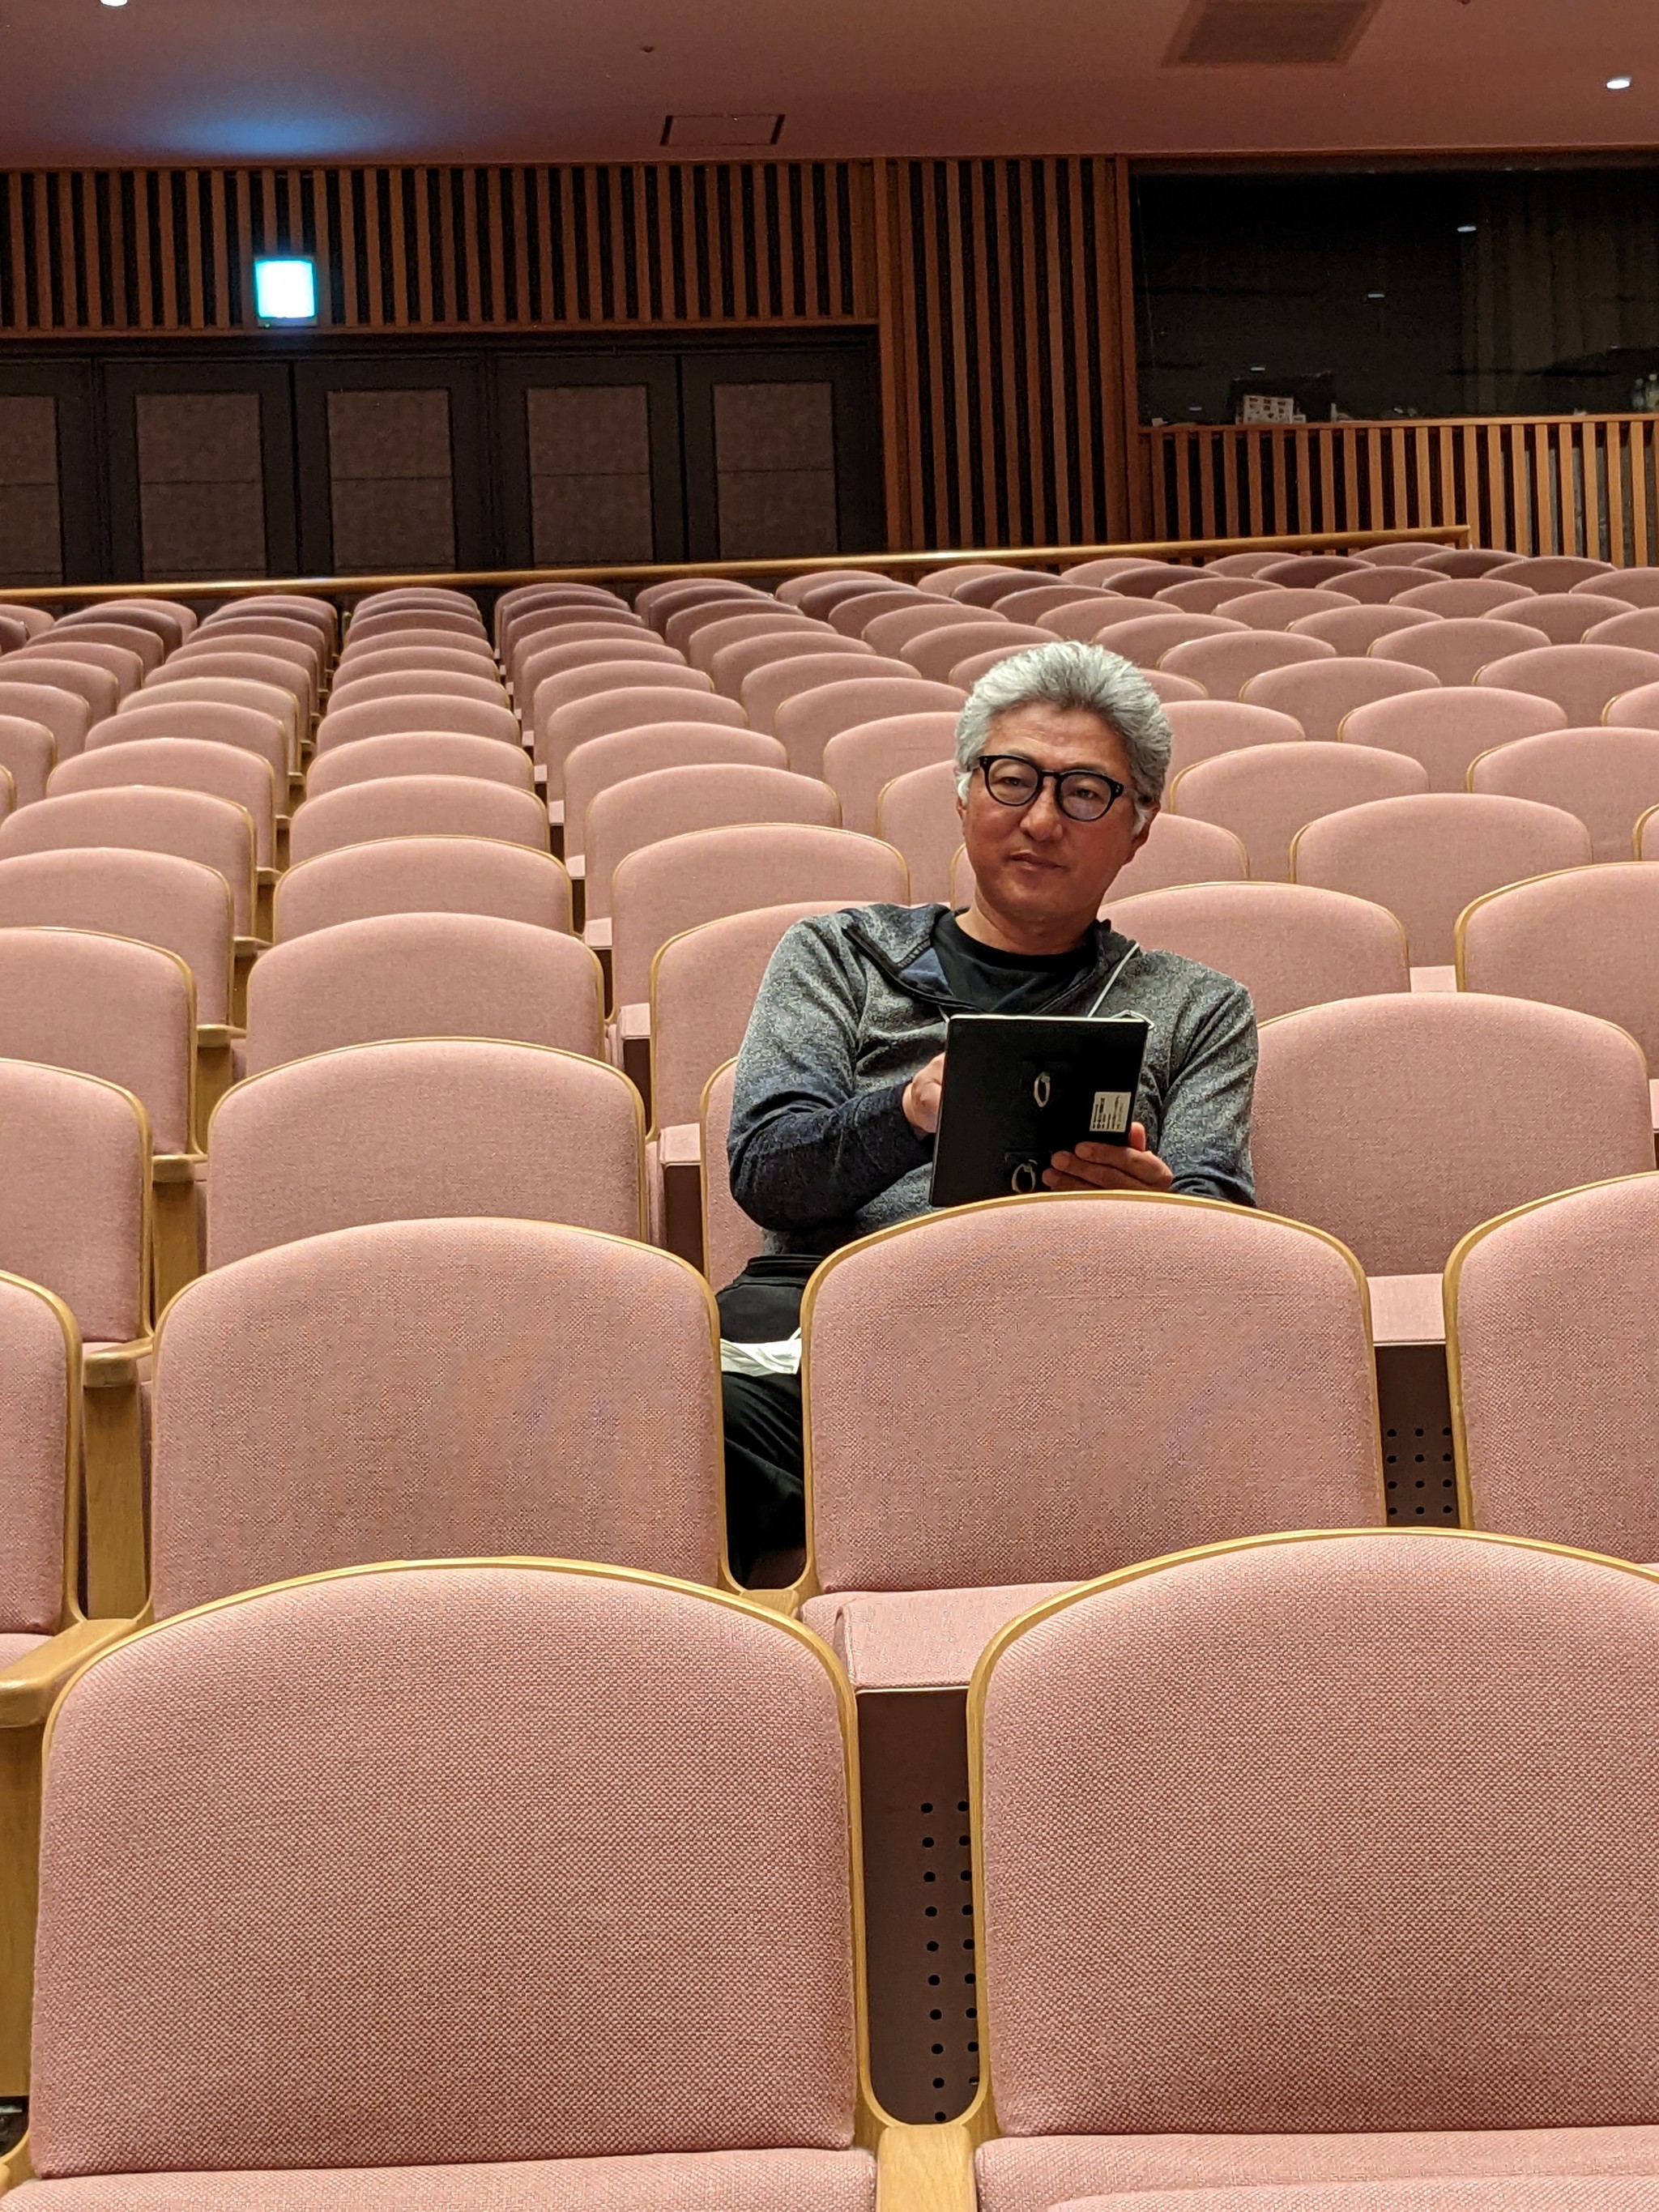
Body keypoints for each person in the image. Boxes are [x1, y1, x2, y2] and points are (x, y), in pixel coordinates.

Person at [719, 637, 1257, 1574]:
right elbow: (768, 1172)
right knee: (663, 1427)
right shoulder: (839, 956)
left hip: (1068, 1334)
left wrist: (1152, 1211)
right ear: (964, 792)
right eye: (1012, 780)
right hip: (826, 1318)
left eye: (1083, 793)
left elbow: (1225, 1230)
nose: (1040, 820)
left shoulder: (1195, 1006)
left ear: (1137, 827)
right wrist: (907, 1111)